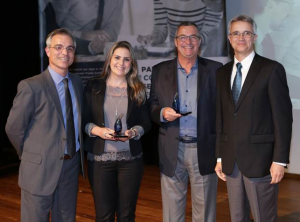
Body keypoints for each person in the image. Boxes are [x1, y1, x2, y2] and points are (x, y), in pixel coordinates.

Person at [215, 15, 293, 222]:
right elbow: (221, 118)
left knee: (264, 218)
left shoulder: (271, 69)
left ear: (254, 37)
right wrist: (220, 157)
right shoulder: (221, 73)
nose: (241, 37)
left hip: (261, 161)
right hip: (231, 162)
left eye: (246, 33)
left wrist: (279, 160)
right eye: (236, 33)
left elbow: (283, 119)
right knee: (237, 218)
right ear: (229, 39)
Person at [5, 28, 84, 221]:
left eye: (70, 48)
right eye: (58, 47)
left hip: (70, 166)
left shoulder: (77, 82)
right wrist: (30, 155)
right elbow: (14, 128)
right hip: (38, 171)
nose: (65, 53)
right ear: (48, 51)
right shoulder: (31, 86)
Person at [149, 21, 222, 222]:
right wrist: (163, 112)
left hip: (204, 150)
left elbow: (222, 112)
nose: (188, 42)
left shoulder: (216, 70)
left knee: (205, 213)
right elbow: (152, 107)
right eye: (183, 37)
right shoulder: (159, 70)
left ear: (199, 41)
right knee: (172, 213)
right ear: (175, 41)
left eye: (193, 37)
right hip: (172, 148)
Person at [82, 41, 151, 221]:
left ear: (132, 64)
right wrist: (98, 131)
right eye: (117, 57)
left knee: (126, 215)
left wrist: (134, 132)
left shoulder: (138, 89)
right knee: (103, 216)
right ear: (109, 59)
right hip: (99, 161)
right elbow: (83, 120)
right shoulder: (93, 86)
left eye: (126, 59)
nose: (121, 63)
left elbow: (146, 122)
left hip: (131, 161)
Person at [137, 0, 225, 56]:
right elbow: (160, 27)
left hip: (203, 53)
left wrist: (188, 41)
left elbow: (210, 31)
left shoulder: (212, 2)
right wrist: (154, 38)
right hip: (174, 53)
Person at [40, 0, 124, 55]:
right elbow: (51, 28)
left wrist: (102, 38)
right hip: (64, 54)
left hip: (97, 54)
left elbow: (113, 30)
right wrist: (82, 35)